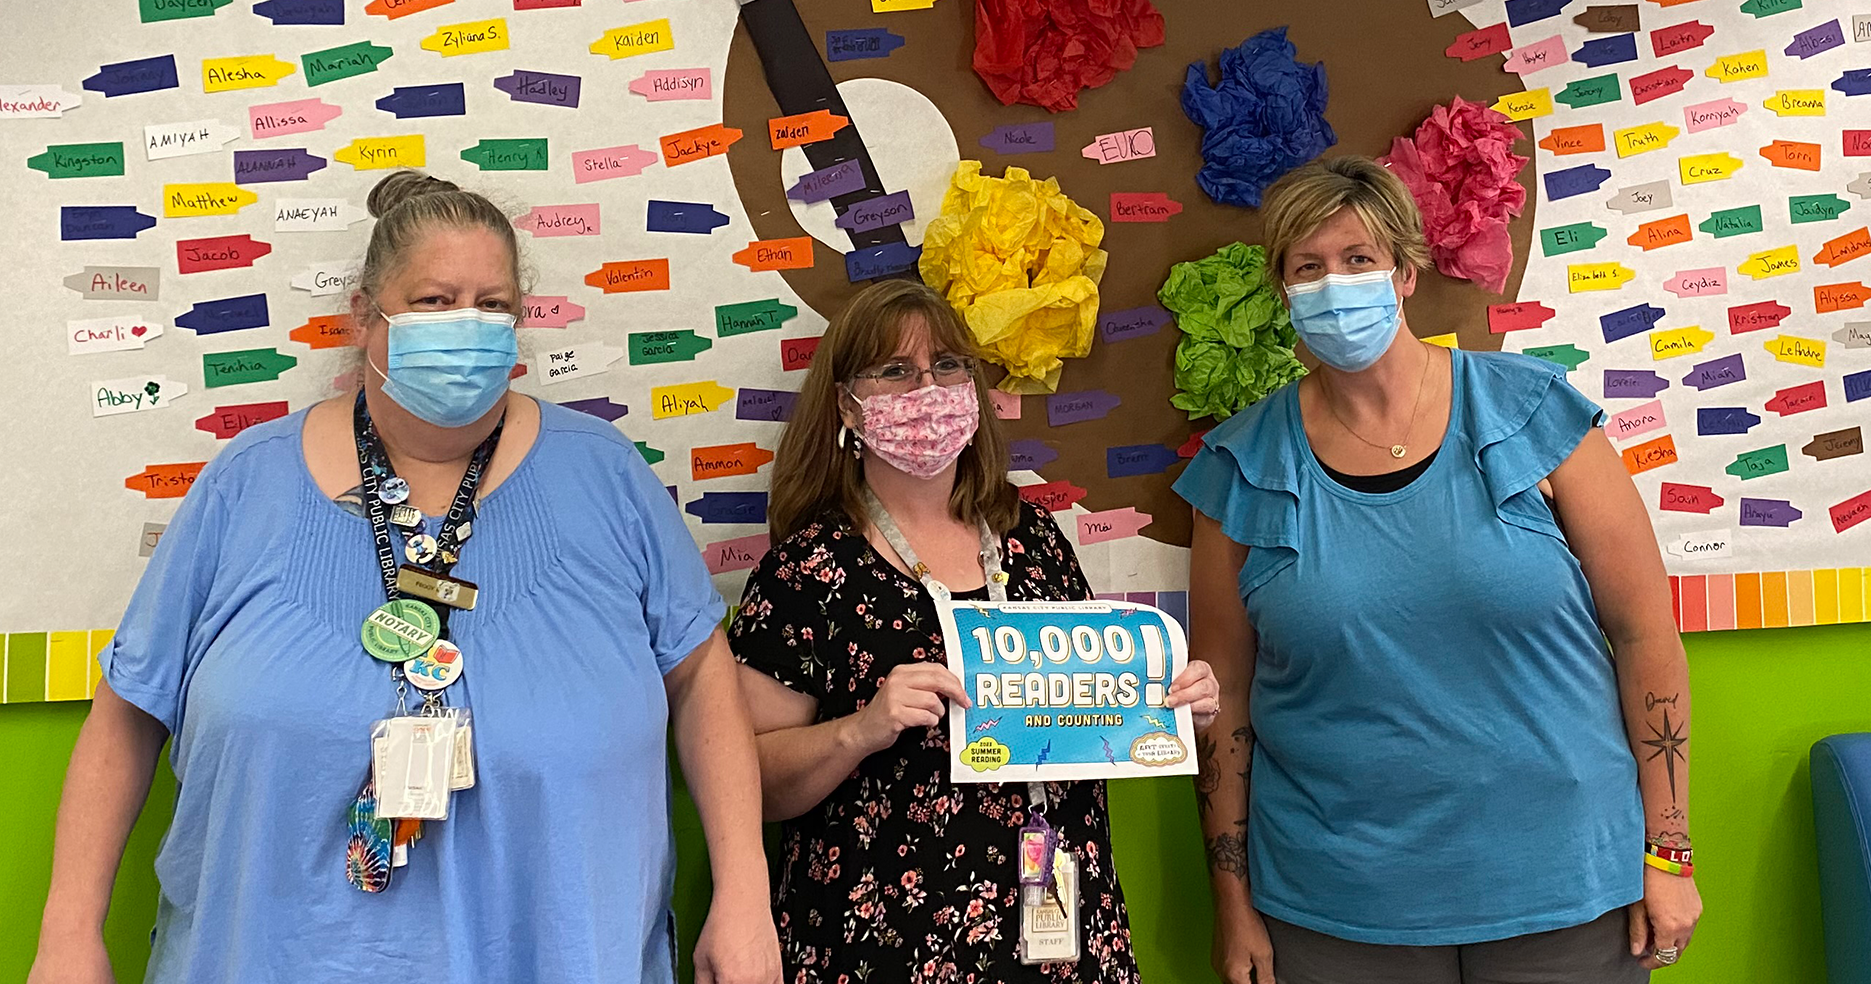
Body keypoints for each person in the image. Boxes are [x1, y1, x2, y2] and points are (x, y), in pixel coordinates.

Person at [29, 170, 780, 984]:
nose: (467, 325)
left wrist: (744, 893)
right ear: (365, 314)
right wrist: (68, 933)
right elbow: (128, 708)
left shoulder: (604, 475)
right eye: (434, 301)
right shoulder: (247, 484)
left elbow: (702, 674)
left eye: (492, 305)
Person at [1179, 155, 1701, 984]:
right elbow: (1223, 700)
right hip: (1338, 906)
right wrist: (1231, 902)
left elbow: (1645, 636)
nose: (1334, 285)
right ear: (1283, 291)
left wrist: (1669, 852)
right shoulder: (1239, 468)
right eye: (1308, 267)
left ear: (1405, 273)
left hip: (1565, 886)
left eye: (1358, 258)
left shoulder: (1534, 414)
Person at [727, 279, 1220, 983]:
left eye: (948, 365)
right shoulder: (807, 569)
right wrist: (859, 730)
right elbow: (749, 781)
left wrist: (1169, 706)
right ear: (847, 405)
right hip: (884, 943)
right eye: (896, 371)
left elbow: (1090, 713)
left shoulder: (1033, 537)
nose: (929, 388)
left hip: (1059, 927)